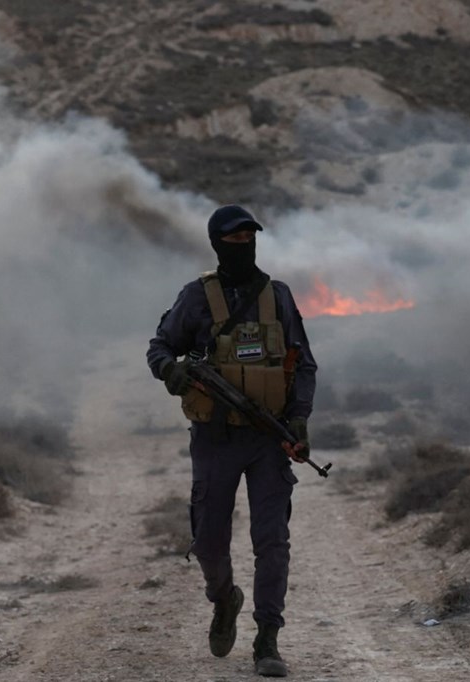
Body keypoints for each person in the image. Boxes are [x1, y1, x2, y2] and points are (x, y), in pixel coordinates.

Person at [147, 204, 317, 678]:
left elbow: (303, 363)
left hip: (268, 439)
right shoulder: (196, 299)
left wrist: (299, 420)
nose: (244, 246)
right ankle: (224, 600)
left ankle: (268, 637)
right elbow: (159, 346)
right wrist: (172, 371)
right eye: (234, 239)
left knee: (272, 540)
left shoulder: (277, 297)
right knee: (209, 540)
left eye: (250, 238)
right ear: (217, 243)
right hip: (215, 437)